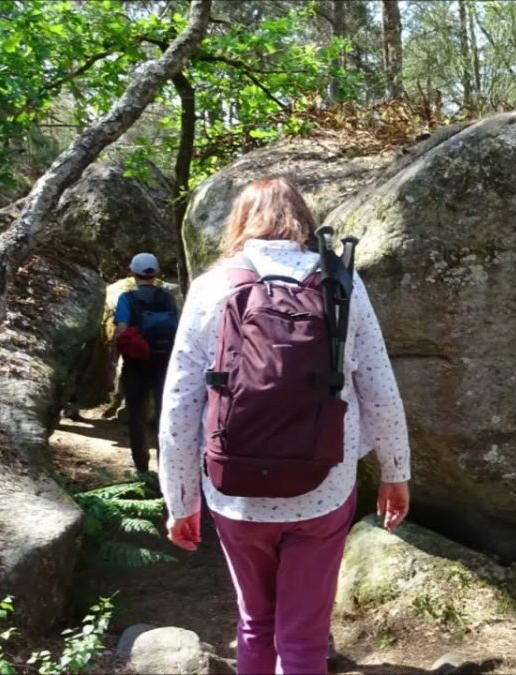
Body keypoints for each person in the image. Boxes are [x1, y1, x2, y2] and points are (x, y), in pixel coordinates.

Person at [158, 176, 411, 675]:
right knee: (303, 639)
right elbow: (379, 384)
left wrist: (180, 500)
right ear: (303, 220)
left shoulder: (213, 286)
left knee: (256, 622)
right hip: (324, 485)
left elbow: (180, 403)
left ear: (240, 222)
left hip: (234, 490)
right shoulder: (341, 283)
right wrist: (395, 471)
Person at [109, 252, 179, 474]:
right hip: (163, 363)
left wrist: (111, 361)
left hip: (136, 363)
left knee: (136, 413)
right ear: (156, 273)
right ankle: (164, 463)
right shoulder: (168, 298)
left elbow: (121, 330)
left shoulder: (126, 298)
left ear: (133, 272)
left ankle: (140, 463)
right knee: (163, 414)